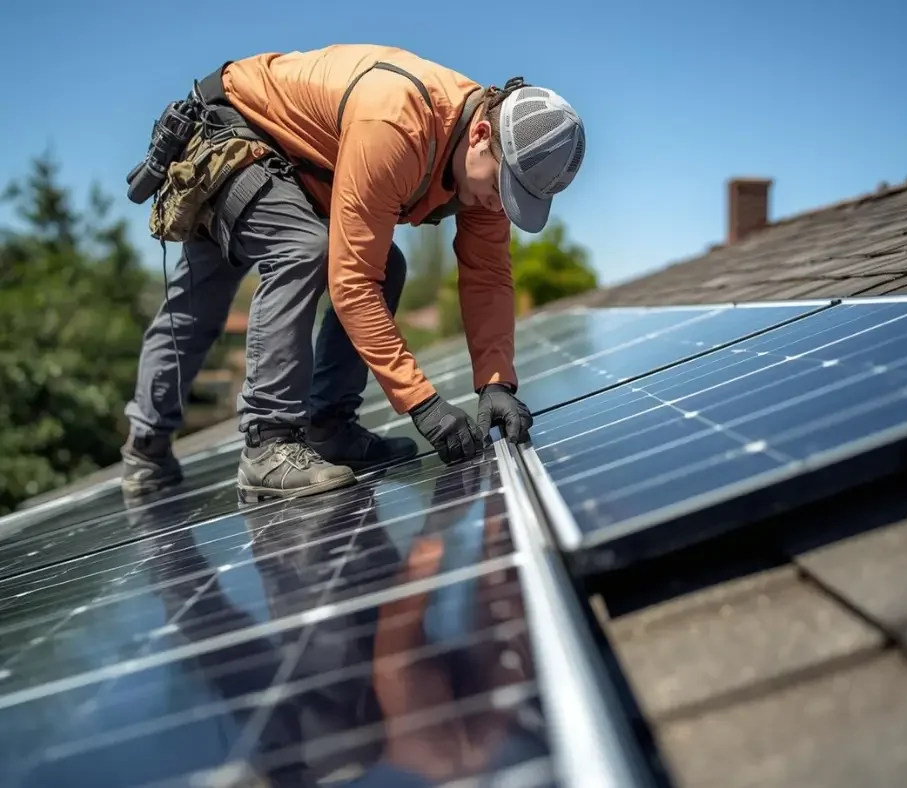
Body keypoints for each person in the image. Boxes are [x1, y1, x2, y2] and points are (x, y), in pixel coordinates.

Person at [120, 44, 587, 503]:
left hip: (302, 165)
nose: (499, 205)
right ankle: (261, 442)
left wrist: (496, 382)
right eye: (501, 187)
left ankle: (328, 426)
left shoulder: (488, 168)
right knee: (298, 251)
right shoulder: (397, 123)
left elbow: (487, 276)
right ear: (482, 134)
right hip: (232, 132)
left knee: (386, 265)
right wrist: (423, 404)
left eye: (515, 197)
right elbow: (352, 283)